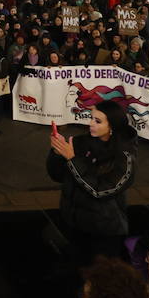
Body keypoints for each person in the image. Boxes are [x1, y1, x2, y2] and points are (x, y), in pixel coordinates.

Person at [46, 99, 138, 260]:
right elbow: (58, 175)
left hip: (103, 232)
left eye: (98, 121)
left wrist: (72, 159)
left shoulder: (124, 158)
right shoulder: (82, 142)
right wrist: (57, 153)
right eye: (91, 118)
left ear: (112, 126)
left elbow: (99, 191)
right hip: (72, 223)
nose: (91, 124)